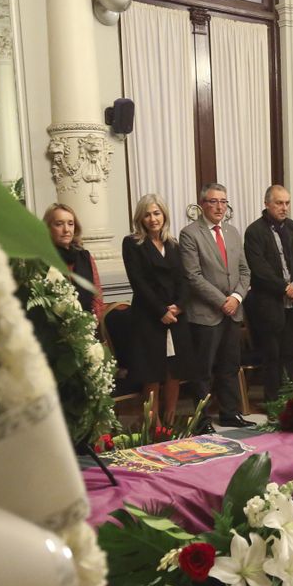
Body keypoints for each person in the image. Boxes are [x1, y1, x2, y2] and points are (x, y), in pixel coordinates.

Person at [180, 182, 252, 429]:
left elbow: (244, 271)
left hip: (233, 311)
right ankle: (202, 420)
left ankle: (230, 413)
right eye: (214, 201)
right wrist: (223, 301)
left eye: (223, 201)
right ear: (202, 205)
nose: (219, 206)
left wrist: (237, 298)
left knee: (230, 367)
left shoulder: (232, 232)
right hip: (206, 314)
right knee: (203, 371)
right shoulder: (190, 233)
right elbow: (193, 276)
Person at [121, 194, 195, 428]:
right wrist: (160, 310)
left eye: (157, 213)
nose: (153, 219)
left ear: (164, 215)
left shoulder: (173, 244)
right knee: (152, 372)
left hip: (176, 316)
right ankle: (154, 426)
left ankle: (171, 420)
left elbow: (184, 279)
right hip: (149, 317)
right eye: (147, 214)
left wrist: (180, 305)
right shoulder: (132, 243)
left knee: (174, 371)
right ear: (140, 218)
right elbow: (138, 282)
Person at [243, 184, 293, 401]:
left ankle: (289, 399)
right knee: (272, 355)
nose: (284, 208)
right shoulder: (254, 231)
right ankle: (274, 401)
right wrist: (285, 287)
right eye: (279, 203)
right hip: (269, 302)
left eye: (287, 203)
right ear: (267, 204)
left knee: (289, 353)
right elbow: (259, 268)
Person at [43, 203, 101, 322]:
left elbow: (97, 295)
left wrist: (93, 322)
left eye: (70, 224)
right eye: (59, 224)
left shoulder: (84, 256)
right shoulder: (41, 259)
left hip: (86, 326)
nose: (66, 229)